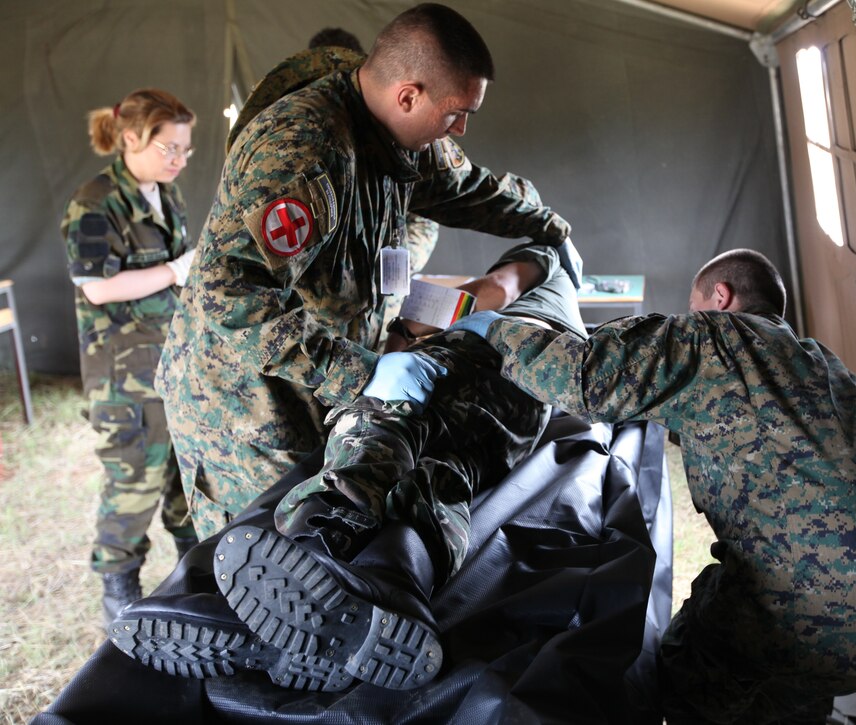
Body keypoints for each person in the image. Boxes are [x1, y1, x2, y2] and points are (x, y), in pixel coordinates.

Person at [443, 248, 856, 723]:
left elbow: (581, 376)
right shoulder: (819, 364)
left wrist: (494, 329)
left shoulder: (717, 336)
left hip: (825, 600)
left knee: (686, 672)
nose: (688, 316)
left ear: (720, 298)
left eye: (693, 306)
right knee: (787, 694)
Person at [155, 3, 582, 540]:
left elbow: (470, 189)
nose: (462, 128)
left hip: (321, 372)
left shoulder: (404, 138)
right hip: (245, 400)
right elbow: (231, 294)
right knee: (263, 549)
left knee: (330, 536)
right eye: (455, 113)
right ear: (409, 95)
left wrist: (552, 229)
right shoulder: (304, 150)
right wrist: (359, 374)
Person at [113, 243, 587, 693]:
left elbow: (498, 286)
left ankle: (318, 543)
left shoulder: (545, 268)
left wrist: (418, 328)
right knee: (441, 470)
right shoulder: (570, 324)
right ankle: (396, 582)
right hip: (523, 409)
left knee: (383, 408)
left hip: (487, 361)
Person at [60, 88, 200, 625]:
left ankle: (197, 577)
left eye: (186, 150)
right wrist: (174, 271)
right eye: (170, 149)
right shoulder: (95, 202)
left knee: (183, 479)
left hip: (172, 365)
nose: (180, 160)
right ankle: (120, 597)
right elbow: (97, 287)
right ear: (131, 139)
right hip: (124, 374)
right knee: (133, 482)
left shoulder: (167, 192)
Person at [224, 26, 441, 337]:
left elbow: (423, 215)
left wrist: (396, 263)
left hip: (367, 330)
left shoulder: (385, 138)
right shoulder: (294, 145)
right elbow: (241, 287)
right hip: (308, 345)